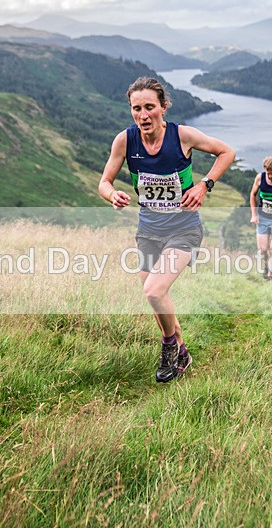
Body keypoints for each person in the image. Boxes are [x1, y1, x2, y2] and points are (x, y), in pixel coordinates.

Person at [99, 76, 235, 383]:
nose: (143, 115)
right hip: (147, 231)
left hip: (183, 229)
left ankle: (169, 346)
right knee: (158, 298)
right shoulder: (125, 141)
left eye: (150, 107)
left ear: (163, 107)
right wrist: (111, 194)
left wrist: (204, 184)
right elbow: (104, 181)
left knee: (154, 290)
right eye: (137, 109)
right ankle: (183, 352)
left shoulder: (183, 136)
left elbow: (226, 152)